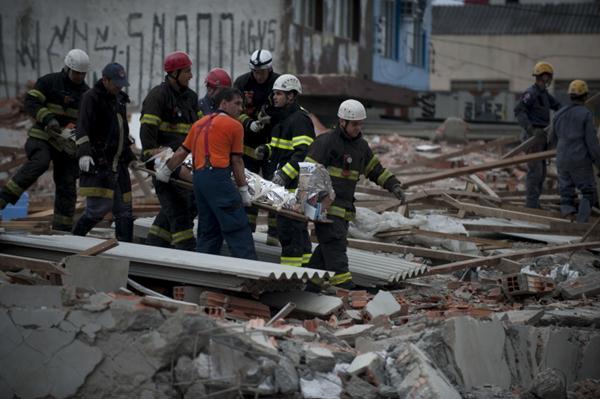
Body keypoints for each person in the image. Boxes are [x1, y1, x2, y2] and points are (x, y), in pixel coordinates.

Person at [305, 99, 405, 289]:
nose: (358, 128)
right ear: (342, 122)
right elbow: (308, 174)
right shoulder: (326, 142)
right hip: (326, 210)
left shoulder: (361, 147)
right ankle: (345, 286)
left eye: (360, 124)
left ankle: (310, 284)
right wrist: (310, 209)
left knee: (326, 250)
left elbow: (376, 170)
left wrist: (394, 186)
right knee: (335, 245)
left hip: (344, 210)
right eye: (355, 124)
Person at [156, 88, 257, 259]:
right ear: (224, 103)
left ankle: (202, 273)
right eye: (237, 104)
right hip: (218, 179)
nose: (241, 109)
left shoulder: (199, 124)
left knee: (208, 229)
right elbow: (237, 161)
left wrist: (165, 171)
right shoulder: (235, 126)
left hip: (200, 181)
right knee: (236, 226)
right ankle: (252, 274)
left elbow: (181, 152)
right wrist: (243, 190)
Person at [0, 49, 90, 231]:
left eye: (83, 74)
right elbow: (31, 103)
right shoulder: (49, 82)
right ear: (67, 68)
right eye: (76, 73)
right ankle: (3, 199)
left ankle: (62, 230)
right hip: (42, 136)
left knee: (67, 182)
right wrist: (49, 119)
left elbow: (87, 120)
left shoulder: (86, 94)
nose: (79, 77)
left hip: (65, 144)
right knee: (39, 163)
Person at [140, 51, 199, 250]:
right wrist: (164, 163)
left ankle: (154, 247)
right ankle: (188, 254)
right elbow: (148, 144)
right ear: (174, 73)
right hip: (162, 163)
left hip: (186, 162)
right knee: (179, 210)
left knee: (185, 207)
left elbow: (198, 132)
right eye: (187, 71)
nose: (191, 76)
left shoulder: (191, 98)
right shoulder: (157, 97)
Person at [255, 74, 314, 267]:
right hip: (286, 187)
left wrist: (283, 174)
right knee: (296, 231)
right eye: (274, 94)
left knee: (290, 231)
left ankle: (292, 274)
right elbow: (280, 148)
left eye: (279, 94)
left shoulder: (300, 119)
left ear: (291, 96)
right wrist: (266, 150)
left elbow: (303, 154)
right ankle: (305, 271)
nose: (275, 98)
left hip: (295, 187)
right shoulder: (282, 118)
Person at [72, 63, 136, 240]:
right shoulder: (91, 98)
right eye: (116, 83)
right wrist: (84, 153)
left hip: (118, 165)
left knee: (125, 212)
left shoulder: (120, 99)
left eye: (121, 83)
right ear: (105, 80)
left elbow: (123, 131)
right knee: (96, 211)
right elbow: (82, 127)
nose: (119, 87)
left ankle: (127, 254)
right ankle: (73, 241)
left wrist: (130, 157)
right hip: (100, 163)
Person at [234, 49, 280, 239]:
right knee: (248, 188)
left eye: (262, 72)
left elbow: (287, 111)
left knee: (274, 190)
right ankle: (246, 232)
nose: (258, 76)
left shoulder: (278, 83)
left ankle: (274, 236)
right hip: (248, 146)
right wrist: (248, 123)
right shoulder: (242, 83)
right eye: (255, 72)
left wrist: (273, 118)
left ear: (269, 69)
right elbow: (234, 109)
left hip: (271, 147)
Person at [549, 80, 600, 223]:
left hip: (562, 159)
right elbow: (592, 143)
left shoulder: (558, 114)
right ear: (585, 96)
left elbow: (551, 139)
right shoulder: (586, 114)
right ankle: (581, 224)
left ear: (570, 96)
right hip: (580, 160)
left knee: (566, 193)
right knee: (588, 192)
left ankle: (569, 220)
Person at [514, 61, 561, 209]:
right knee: (535, 171)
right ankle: (531, 204)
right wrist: (530, 128)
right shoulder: (531, 93)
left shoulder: (544, 94)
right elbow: (519, 111)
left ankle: (535, 202)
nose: (549, 79)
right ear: (543, 76)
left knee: (542, 172)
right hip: (533, 137)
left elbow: (558, 106)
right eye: (548, 76)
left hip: (542, 136)